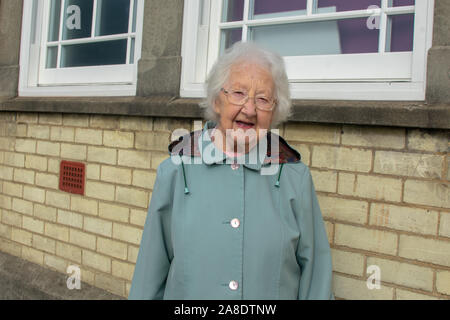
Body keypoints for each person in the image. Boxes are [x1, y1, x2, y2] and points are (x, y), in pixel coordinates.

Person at [128, 41, 333, 300]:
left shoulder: (294, 176)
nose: (249, 110)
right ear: (216, 100)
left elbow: (316, 278)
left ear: (275, 109)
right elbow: (149, 275)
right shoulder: (176, 172)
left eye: (262, 99)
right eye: (238, 93)